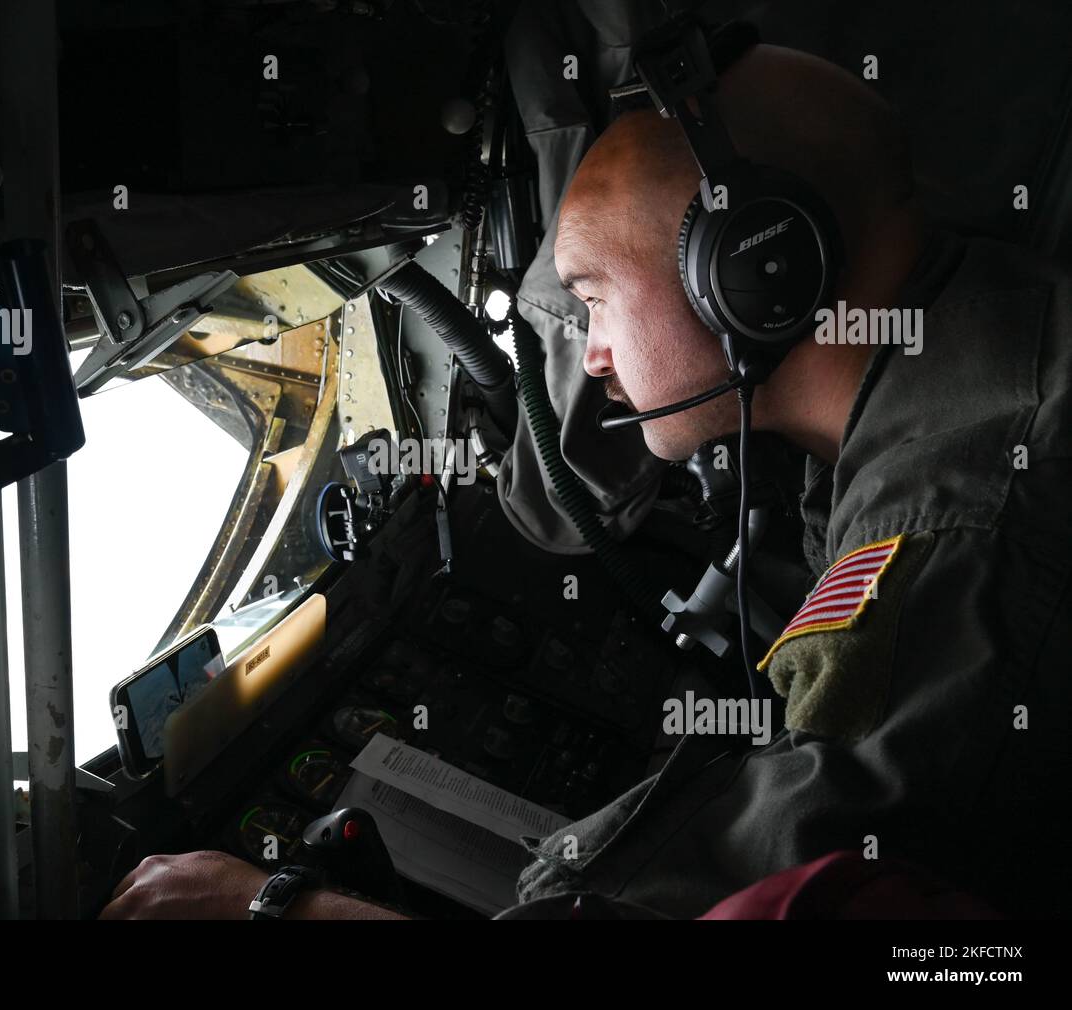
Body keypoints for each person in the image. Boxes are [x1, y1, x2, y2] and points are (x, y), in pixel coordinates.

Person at [102, 41, 1072, 920]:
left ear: (752, 272)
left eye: (594, 297)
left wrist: (278, 909)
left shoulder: (963, 520)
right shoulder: (990, 336)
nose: (595, 356)